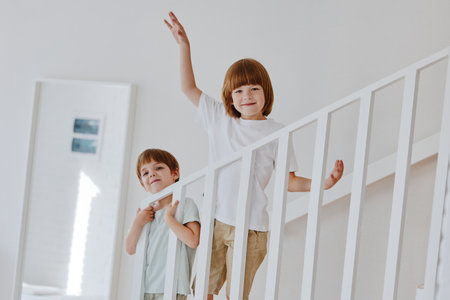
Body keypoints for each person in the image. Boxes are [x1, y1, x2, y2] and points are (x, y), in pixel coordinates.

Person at [164, 11, 344, 300]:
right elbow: (188, 87)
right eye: (239, 90)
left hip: (251, 228)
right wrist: (184, 46)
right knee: (202, 291)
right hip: (216, 221)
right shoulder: (220, 119)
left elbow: (289, 181)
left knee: (236, 295)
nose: (246, 95)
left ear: (265, 92)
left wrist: (322, 183)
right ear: (230, 96)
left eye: (254, 88)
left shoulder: (278, 132)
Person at [125, 148, 201, 300]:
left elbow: (193, 241)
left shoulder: (185, 204)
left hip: (173, 286)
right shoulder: (146, 214)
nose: (152, 174)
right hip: (145, 286)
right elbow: (130, 249)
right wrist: (137, 223)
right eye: (145, 173)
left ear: (175, 173)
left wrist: (170, 220)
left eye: (158, 167)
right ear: (143, 184)